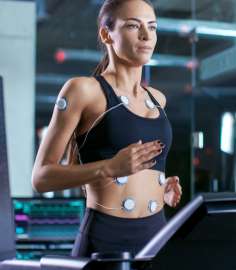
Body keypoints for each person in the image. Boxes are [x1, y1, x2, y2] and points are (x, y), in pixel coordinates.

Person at [31, 0, 182, 257]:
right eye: (134, 26)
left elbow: (137, 173)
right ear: (106, 34)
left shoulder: (158, 98)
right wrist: (109, 167)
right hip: (106, 237)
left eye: (152, 27)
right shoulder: (83, 90)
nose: (146, 36)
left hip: (157, 233)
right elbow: (41, 178)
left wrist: (159, 186)